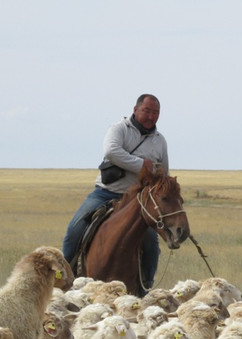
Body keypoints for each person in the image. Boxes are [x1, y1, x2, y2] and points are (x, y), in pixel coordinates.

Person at [62, 93, 168, 296]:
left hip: (138, 202)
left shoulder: (160, 141)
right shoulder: (119, 129)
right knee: (75, 229)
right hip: (106, 193)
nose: (151, 116)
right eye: (146, 111)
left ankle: (145, 287)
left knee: (151, 241)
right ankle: (65, 279)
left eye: (155, 113)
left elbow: (164, 172)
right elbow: (111, 152)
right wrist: (142, 165)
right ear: (135, 109)